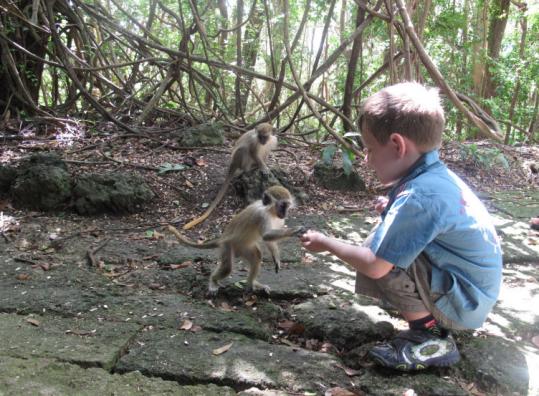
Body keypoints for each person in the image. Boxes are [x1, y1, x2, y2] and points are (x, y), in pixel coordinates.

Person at [300, 82, 503, 371]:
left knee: (380, 255)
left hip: (464, 301)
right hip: (471, 291)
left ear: (397, 145)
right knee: (384, 239)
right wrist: (391, 210)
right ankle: (424, 313)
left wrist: (326, 242)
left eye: (370, 149)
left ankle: (430, 335)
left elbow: (375, 265)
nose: (367, 160)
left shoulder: (420, 196)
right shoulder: (432, 176)